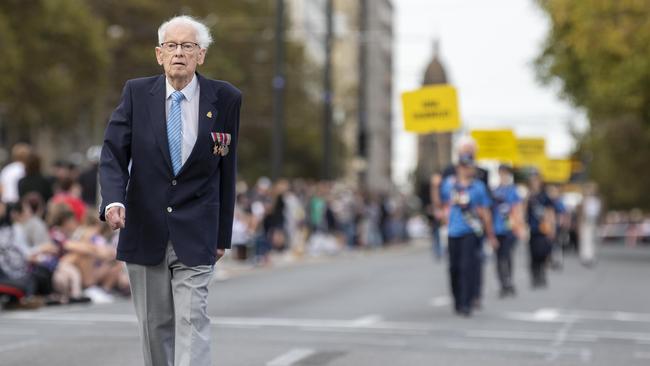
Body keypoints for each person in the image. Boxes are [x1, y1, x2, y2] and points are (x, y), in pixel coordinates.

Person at [98, 15, 241, 366]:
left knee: (194, 320)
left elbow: (227, 170)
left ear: (201, 55)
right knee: (154, 325)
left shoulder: (226, 98)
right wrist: (113, 200)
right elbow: (113, 154)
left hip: (197, 229)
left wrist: (222, 234)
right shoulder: (136, 93)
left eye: (188, 46)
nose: (180, 53)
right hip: (145, 227)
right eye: (173, 46)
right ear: (159, 54)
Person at [437, 154, 496, 317]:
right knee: (454, 268)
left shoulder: (478, 187)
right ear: (458, 168)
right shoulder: (449, 185)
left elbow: (485, 212)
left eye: (469, 166)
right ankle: (457, 300)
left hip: (471, 231)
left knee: (467, 267)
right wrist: (434, 187)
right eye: (463, 166)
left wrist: (490, 234)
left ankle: (467, 301)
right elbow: (440, 204)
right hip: (452, 231)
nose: (466, 169)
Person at [492, 164, 523, 297]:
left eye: (505, 173)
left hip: (509, 228)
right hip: (497, 229)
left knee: (508, 256)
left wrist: (519, 225)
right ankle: (502, 283)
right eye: (501, 173)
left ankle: (509, 280)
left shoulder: (513, 191)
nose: (503, 176)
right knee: (499, 258)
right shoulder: (494, 191)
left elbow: (518, 208)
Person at [525, 171, 556, 288]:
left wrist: (552, 228)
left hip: (543, 228)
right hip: (532, 229)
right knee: (533, 254)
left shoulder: (544, 196)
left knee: (542, 253)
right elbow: (523, 212)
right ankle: (535, 276)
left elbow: (551, 212)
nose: (535, 182)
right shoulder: (529, 196)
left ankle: (542, 274)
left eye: (536, 180)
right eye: (532, 180)